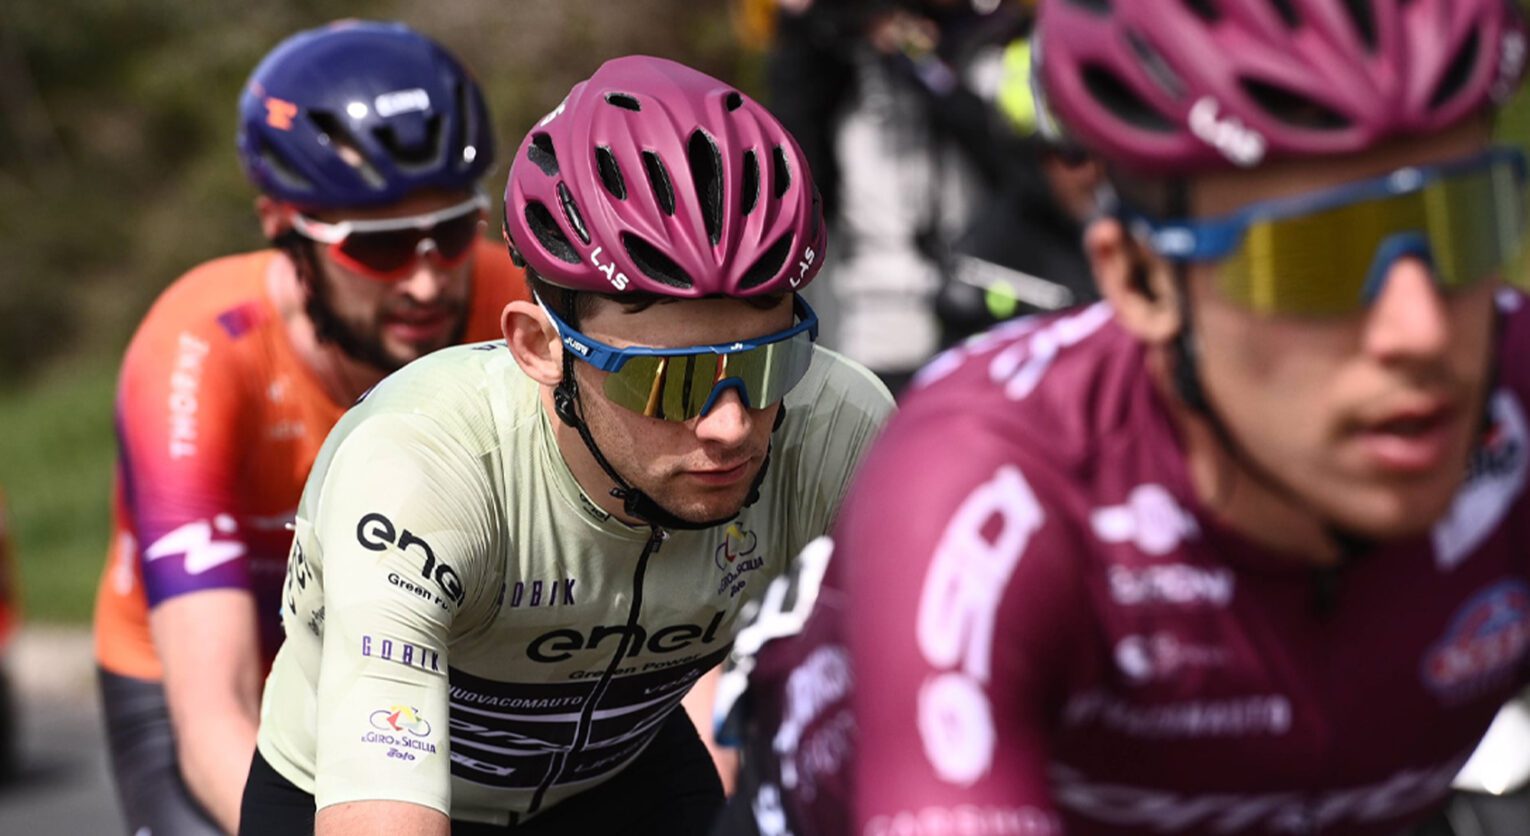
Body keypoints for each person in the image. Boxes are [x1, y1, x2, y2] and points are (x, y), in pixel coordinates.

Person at [717, 1, 1530, 834]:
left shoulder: (1515, 382)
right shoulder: (989, 482)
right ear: (1140, 279)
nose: (1422, 332)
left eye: (1464, 223)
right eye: (1316, 257)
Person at [237, 55, 893, 836]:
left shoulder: (839, 428)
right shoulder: (420, 469)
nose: (729, 425)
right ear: (541, 348)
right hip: (352, 788)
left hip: (622, 777)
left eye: (768, 363)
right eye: (670, 382)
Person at [91, 20, 526, 835]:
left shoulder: (514, 312)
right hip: (227, 668)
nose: (427, 280)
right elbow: (214, 711)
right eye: (381, 247)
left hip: (423, 654)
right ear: (281, 225)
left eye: (450, 231)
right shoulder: (198, 352)